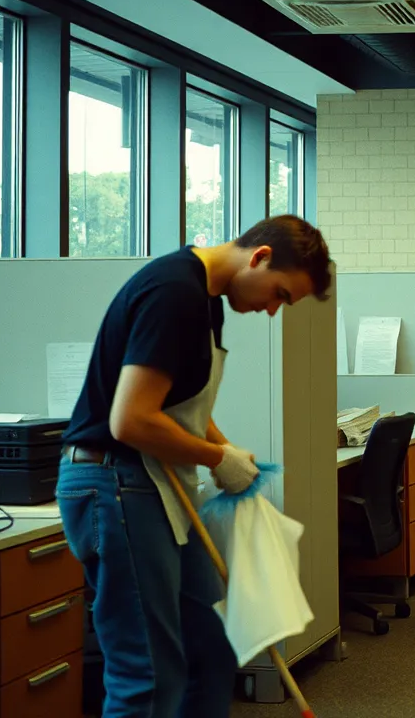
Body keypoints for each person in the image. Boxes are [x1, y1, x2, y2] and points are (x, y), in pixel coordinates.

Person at [55, 215, 332, 717]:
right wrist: (215, 458)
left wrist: (226, 450)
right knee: (149, 672)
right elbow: (130, 420)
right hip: (117, 483)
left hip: (155, 483)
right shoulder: (174, 293)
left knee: (212, 647)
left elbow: (181, 405)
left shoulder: (207, 299)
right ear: (261, 256)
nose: (272, 310)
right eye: (280, 295)